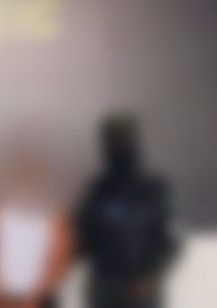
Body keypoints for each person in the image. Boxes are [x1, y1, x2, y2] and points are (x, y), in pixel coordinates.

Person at [76, 115, 178, 308]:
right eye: (113, 140)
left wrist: (150, 274)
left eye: (124, 139)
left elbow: (169, 240)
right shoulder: (97, 191)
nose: (119, 146)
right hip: (106, 287)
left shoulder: (154, 189)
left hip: (142, 288)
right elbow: (83, 238)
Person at [0, 133, 72, 308]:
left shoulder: (54, 209)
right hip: (0, 298)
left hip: (40, 298)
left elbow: (61, 256)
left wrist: (34, 298)